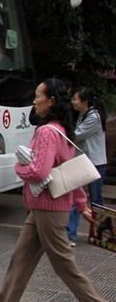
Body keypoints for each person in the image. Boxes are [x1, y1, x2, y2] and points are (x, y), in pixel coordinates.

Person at [0, 78, 105, 302]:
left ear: (51, 101)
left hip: (49, 210)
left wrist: (18, 167)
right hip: (43, 209)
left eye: (38, 96)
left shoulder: (47, 132)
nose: (35, 101)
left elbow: (38, 172)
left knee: (65, 265)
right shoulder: (62, 130)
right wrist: (81, 204)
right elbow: (69, 170)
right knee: (20, 261)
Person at [67, 86, 108, 246]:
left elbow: (77, 135)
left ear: (84, 102)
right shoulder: (84, 115)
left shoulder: (93, 117)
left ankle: (101, 234)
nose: (73, 102)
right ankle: (70, 235)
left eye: (75, 99)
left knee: (96, 201)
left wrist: (61, 132)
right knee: (77, 199)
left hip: (94, 164)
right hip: (84, 163)